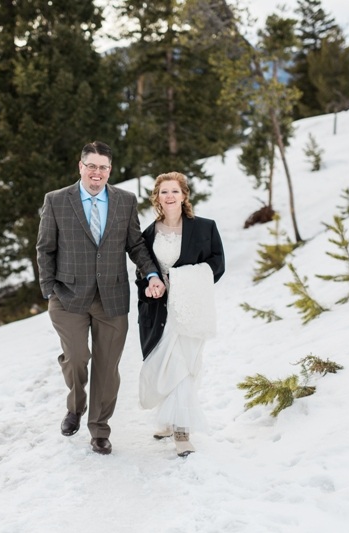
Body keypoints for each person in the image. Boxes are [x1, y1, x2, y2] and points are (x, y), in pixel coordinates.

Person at [36, 141, 166, 455]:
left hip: (112, 297)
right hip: (67, 297)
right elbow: (45, 248)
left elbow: (135, 245)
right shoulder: (56, 201)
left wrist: (151, 274)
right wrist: (49, 289)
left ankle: (99, 429)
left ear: (110, 170)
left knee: (108, 368)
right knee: (77, 357)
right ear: (80, 167)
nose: (97, 172)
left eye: (103, 167)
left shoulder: (124, 201)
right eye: (91, 166)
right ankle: (76, 406)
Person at [135, 171, 225, 457]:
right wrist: (150, 286)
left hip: (191, 308)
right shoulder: (149, 233)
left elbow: (217, 264)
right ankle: (167, 418)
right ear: (157, 198)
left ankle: (182, 430)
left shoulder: (205, 228)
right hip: (160, 311)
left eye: (174, 191)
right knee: (164, 364)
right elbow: (143, 270)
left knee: (184, 367)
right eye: (164, 192)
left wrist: (181, 279)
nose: (169, 196)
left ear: (184, 195)